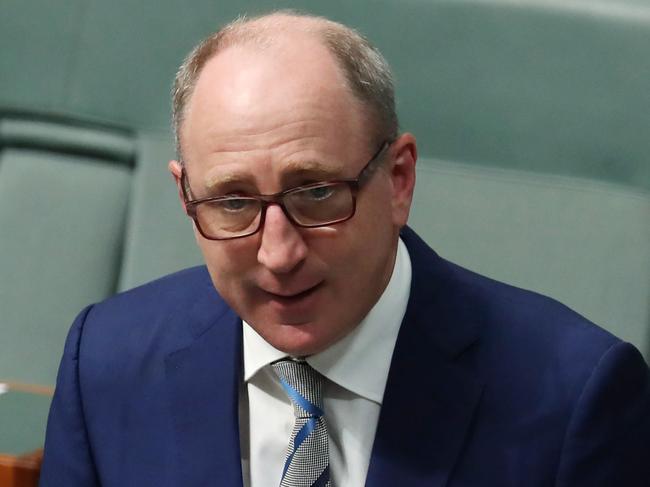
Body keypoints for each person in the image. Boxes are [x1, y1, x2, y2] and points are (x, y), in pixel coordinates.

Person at [40, 11, 650, 487]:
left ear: (400, 179)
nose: (277, 254)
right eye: (233, 202)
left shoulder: (574, 396)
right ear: (185, 194)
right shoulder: (107, 363)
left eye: (316, 193)